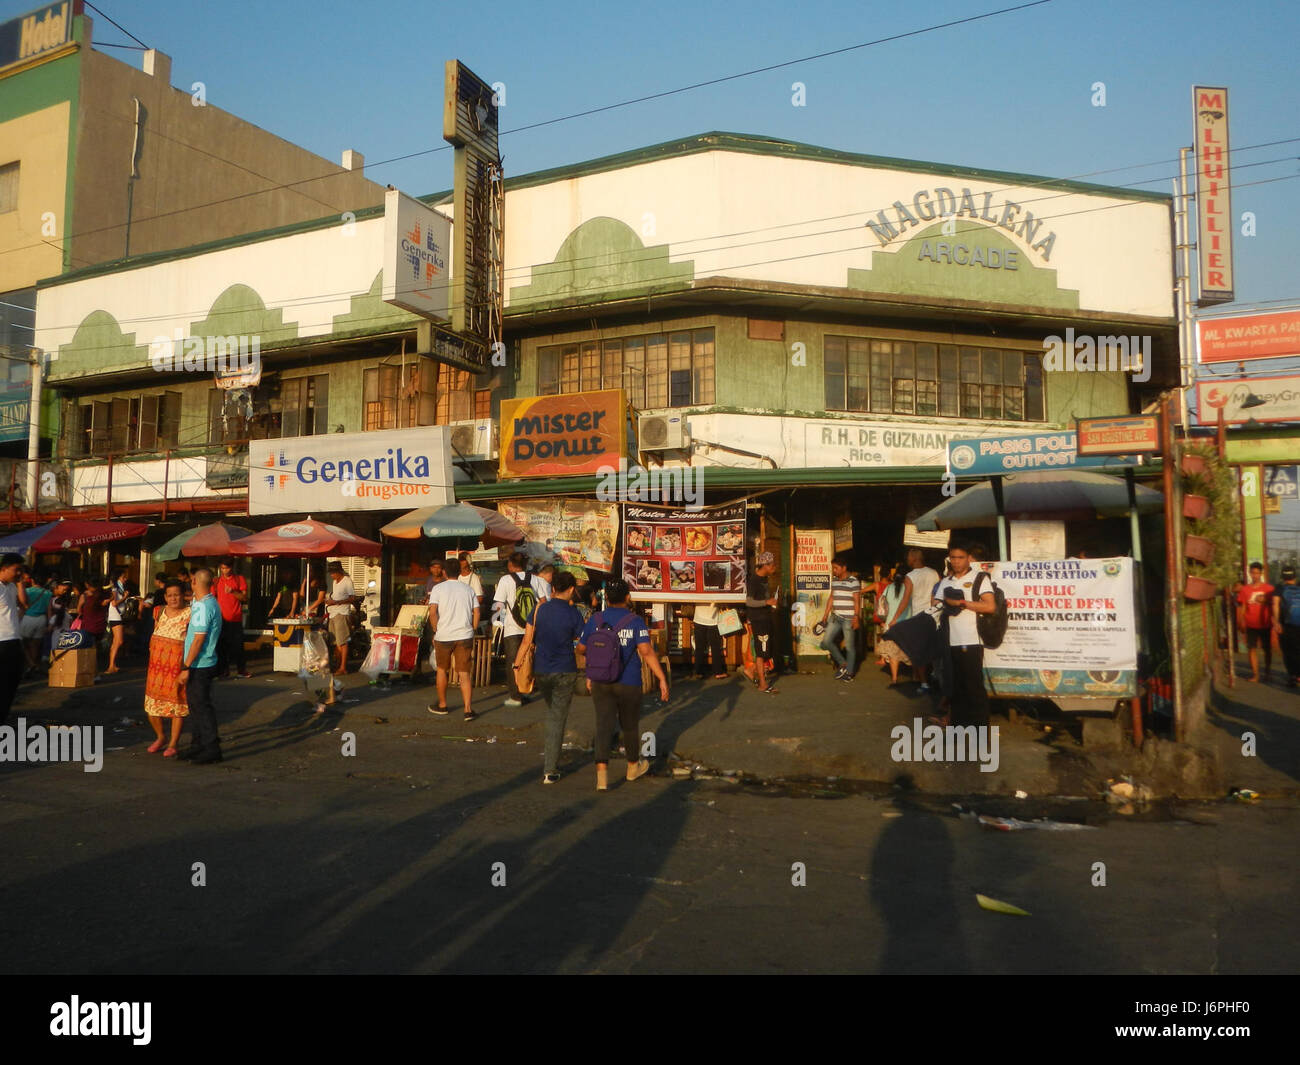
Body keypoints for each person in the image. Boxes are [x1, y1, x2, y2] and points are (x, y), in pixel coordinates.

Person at [578, 580, 669, 792]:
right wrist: (661, 678)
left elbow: (582, 648)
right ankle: (632, 768)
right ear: (627, 597)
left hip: (601, 681)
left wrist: (594, 667)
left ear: (606, 598)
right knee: (629, 726)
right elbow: (646, 652)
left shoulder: (595, 619)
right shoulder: (635, 621)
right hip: (629, 681)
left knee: (603, 726)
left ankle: (602, 778)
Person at [515, 571, 585, 782]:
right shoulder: (574, 614)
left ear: (553, 588)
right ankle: (550, 769)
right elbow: (582, 640)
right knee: (556, 717)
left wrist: (517, 665)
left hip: (541, 670)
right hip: (565, 669)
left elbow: (527, 640)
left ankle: (552, 756)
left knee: (553, 712)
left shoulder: (539, 610)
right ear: (571, 589)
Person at [932, 543, 997, 728]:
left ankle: (980, 731)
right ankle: (959, 728)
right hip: (949, 642)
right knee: (955, 688)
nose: (956, 561)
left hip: (971, 641)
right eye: (952, 557)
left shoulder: (979, 578)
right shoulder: (946, 581)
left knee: (974, 688)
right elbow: (935, 605)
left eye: (960, 557)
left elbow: (990, 606)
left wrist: (961, 602)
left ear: (968, 558)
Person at [178, 567, 223, 764]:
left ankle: (212, 748)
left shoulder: (204, 606)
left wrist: (186, 666)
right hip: (202, 661)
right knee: (195, 706)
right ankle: (198, 745)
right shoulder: (204, 602)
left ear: (195, 581)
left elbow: (198, 639)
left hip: (200, 663)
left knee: (202, 707)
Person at [493, 551, 550, 707]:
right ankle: (526, 688)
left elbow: (498, 604)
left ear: (511, 564)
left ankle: (516, 695)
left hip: (512, 628)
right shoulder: (536, 579)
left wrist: (494, 621)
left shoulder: (505, 580)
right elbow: (543, 602)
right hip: (531, 628)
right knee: (529, 659)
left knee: (513, 662)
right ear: (526, 565)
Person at [425, 570, 481, 720]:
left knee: (442, 670)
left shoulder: (438, 589)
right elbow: (476, 611)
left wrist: (436, 629)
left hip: (444, 636)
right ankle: (468, 710)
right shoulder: (468, 589)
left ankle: (442, 705)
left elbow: (432, 612)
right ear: (459, 572)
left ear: (444, 572)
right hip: (464, 635)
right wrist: (473, 629)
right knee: (464, 673)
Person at [143, 580, 190, 756]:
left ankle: (173, 743)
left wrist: (187, 668)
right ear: (165, 597)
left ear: (184, 595)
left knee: (177, 705)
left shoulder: (190, 613)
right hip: (155, 669)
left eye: (176, 595)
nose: (173, 599)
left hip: (177, 668)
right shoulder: (158, 611)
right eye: (169, 595)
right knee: (151, 706)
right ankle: (160, 737)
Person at [819, 553, 862, 681]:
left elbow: (857, 601)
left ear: (844, 568)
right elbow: (831, 597)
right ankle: (843, 663)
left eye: (836, 568)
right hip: (835, 617)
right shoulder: (835, 580)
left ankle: (849, 673)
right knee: (825, 642)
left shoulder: (853, 581)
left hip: (849, 619)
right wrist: (825, 615)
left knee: (849, 646)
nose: (834, 570)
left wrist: (856, 617)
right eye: (833, 568)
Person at [744, 551, 780, 694]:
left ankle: (750, 670)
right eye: (773, 565)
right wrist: (767, 602)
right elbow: (749, 601)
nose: (775, 567)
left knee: (766, 650)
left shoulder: (765, 579)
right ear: (766, 565)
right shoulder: (754, 580)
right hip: (758, 620)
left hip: (765, 617)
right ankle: (763, 684)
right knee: (761, 652)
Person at [905, 548, 941, 690]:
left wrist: (895, 617)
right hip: (934, 615)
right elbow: (938, 593)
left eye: (908, 557)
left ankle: (924, 682)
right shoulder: (934, 573)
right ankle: (934, 675)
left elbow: (905, 599)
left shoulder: (910, 576)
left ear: (914, 558)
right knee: (932, 649)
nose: (907, 560)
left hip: (918, 617)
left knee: (919, 651)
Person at [1, 554, 29, 728]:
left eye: (21, 569)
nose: (19, 572)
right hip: (1, 641)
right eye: (16, 569)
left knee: (12, 682)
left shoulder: (11, 587)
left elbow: (25, 604)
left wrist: (19, 583)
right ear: (4, 568)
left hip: (14, 640)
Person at [1236, 561, 1275, 682]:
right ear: (1249, 573)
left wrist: (1265, 602)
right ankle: (1255, 674)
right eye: (1253, 573)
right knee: (1251, 648)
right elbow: (1242, 607)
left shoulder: (1269, 589)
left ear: (1261, 573)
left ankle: (1267, 673)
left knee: (1267, 649)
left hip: (1265, 623)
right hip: (1250, 624)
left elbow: (1275, 605)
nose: (1255, 576)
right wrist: (1240, 621)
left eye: (1257, 573)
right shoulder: (1245, 590)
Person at [876, 563, 913, 685]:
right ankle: (916, 676)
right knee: (909, 651)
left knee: (892, 654)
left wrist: (883, 621)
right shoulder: (910, 588)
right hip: (907, 624)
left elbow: (882, 605)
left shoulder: (888, 588)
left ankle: (894, 678)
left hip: (890, 624)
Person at [214, 559, 250, 678]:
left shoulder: (239, 579)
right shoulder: (217, 581)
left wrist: (233, 591)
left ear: (232, 567)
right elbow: (213, 598)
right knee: (221, 646)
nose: (225, 571)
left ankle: (241, 670)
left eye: (227, 568)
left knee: (238, 646)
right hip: (221, 619)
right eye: (223, 568)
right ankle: (224, 670)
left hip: (235, 618)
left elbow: (244, 598)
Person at [325, 561, 356, 676]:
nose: (332, 575)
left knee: (342, 641)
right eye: (331, 573)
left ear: (339, 571)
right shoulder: (334, 582)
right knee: (336, 641)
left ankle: (343, 667)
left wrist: (337, 602)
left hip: (342, 613)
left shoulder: (347, 581)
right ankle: (338, 665)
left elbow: (352, 598)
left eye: (333, 573)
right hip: (333, 613)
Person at [20, 571, 51, 675]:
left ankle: (31, 664)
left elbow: (22, 605)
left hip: (28, 618)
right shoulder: (48, 593)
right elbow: (49, 610)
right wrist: (49, 623)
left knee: (23, 643)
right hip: (41, 619)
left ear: (32, 580)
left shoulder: (27, 591)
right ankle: (32, 666)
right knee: (35, 645)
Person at [1273, 565, 1300, 688]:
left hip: (1287, 625)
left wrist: (1277, 622)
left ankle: (1292, 676)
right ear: (1294, 575)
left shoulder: (1279, 588)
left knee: (1288, 651)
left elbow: (1275, 604)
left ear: (1283, 576)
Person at [105, 567, 131, 673]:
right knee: (119, 641)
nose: (125, 579)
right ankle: (111, 665)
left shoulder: (120, 587)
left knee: (116, 641)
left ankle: (112, 664)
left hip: (117, 615)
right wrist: (125, 597)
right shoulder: (115, 588)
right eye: (123, 577)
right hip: (115, 616)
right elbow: (114, 603)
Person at [692, 601, 726, 679]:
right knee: (715, 647)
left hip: (699, 618)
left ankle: (698, 672)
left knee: (699, 647)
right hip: (713, 620)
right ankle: (718, 672)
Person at [456, 552, 485, 620]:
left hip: (469, 615)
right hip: (456, 614)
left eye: (464, 559)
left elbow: (479, 598)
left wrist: (469, 607)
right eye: (461, 559)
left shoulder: (474, 578)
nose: (462, 562)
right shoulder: (456, 577)